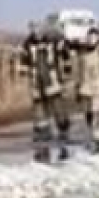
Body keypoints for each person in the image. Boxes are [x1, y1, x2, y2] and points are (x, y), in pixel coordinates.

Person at [18, 18, 71, 161]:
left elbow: (65, 52)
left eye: (37, 29)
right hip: (37, 82)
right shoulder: (28, 44)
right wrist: (23, 72)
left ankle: (63, 129)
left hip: (52, 80)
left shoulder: (52, 41)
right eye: (32, 29)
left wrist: (66, 69)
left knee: (57, 108)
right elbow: (23, 60)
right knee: (39, 110)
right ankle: (43, 133)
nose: (35, 32)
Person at [68, 26, 99, 152]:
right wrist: (77, 88)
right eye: (89, 37)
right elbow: (79, 72)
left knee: (98, 115)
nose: (91, 40)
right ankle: (95, 136)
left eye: (94, 37)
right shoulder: (83, 53)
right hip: (85, 89)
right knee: (88, 115)